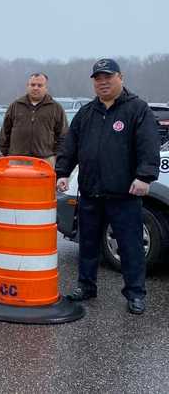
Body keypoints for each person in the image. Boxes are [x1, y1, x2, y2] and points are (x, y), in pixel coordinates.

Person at [56, 58, 159, 315]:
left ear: (120, 77)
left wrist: (145, 177)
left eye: (108, 77)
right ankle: (86, 286)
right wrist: (63, 172)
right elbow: (71, 146)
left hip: (124, 194)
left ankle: (135, 294)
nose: (103, 83)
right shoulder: (87, 112)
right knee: (88, 244)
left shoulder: (137, 109)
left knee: (130, 246)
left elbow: (148, 145)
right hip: (91, 191)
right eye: (98, 79)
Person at [0, 73, 68, 166]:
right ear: (27, 86)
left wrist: (57, 155)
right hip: (17, 159)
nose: (35, 88)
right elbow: (5, 132)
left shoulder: (56, 108)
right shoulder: (16, 105)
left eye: (39, 85)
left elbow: (63, 135)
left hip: (45, 160)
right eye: (32, 85)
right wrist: (5, 152)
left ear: (46, 88)